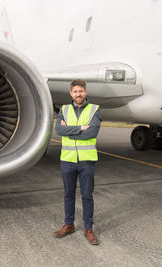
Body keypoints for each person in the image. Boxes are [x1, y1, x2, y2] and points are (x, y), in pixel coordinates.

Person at [53, 78, 102, 245]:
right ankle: (69, 225)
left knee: (87, 195)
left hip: (86, 160)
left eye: (81, 91)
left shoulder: (95, 109)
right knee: (68, 194)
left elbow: (92, 133)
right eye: (75, 91)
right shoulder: (64, 109)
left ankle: (88, 228)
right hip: (68, 160)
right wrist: (80, 128)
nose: (78, 94)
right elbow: (58, 130)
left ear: (85, 92)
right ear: (71, 93)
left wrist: (69, 130)